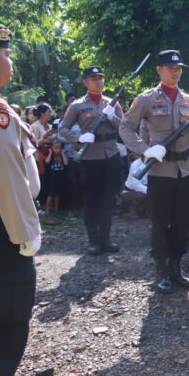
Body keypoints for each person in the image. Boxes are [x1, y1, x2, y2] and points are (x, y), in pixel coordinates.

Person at [120, 50, 189, 292]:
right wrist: (145, 150)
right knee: (160, 222)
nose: (176, 71)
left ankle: (176, 266)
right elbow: (126, 127)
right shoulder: (146, 99)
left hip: (184, 170)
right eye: (170, 68)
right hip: (159, 171)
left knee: (182, 222)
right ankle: (161, 270)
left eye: (179, 67)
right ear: (159, 70)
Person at [0, 21, 42, 376]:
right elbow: (6, 176)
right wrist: (26, 234)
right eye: (6, 54)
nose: (11, 62)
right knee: (5, 323)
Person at [60, 66, 124, 255]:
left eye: (100, 78)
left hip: (110, 155)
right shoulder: (77, 105)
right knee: (91, 200)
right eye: (93, 78)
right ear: (85, 82)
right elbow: (62, 129)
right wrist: (78, 138)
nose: (98, 81)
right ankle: (93, 240)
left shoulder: (112, 103)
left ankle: (106, 239)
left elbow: (124, 128)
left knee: (108, 199)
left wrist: (113, 117)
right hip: (90, 157)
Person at [43, 139, 68, 219]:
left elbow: (66, 163)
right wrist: (50, 153)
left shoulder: (61, 156)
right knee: (50, 195)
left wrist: (63, 154)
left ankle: (56, 209)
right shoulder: (50, 157)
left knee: (57, 195)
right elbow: (46, 162)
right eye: (55, 148)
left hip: (60, 179)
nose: (58, 150)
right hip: (52, 179)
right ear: (52, 148)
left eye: (59, 148)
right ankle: (47, 209)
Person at [122, 155, 148, 219]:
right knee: (142, 195)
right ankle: (132, 210)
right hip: (129, 191)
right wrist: (151, 191)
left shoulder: (152, 163)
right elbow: (136, 185)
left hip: (145, 188)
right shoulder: (136, 164)